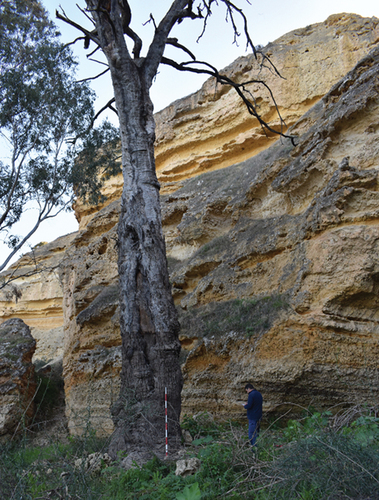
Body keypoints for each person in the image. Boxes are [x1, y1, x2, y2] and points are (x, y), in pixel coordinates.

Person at [243, 383, 263, 448]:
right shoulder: (259, 394)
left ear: (248, 389)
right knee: (257, 431)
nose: (247, 392)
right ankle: (258, 444)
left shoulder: (251, 395)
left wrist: (245, 405)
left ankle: (253, 446)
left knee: (251, 432)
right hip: (259, 415)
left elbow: (249, 406)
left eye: (247, 391)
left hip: (252, 416)